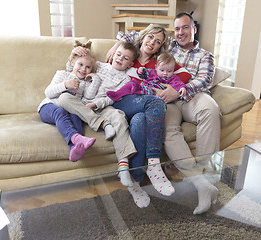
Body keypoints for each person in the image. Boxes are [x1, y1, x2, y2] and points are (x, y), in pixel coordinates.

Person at [106, 13, 220, 214]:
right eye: (177, 29)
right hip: (166, 101)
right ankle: (201, 184)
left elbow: (204, 80)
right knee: (166, 128)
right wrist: (117, 45)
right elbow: (135, 37)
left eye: (185, 28)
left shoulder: (205, 55)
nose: (181, 32)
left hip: (192, 96)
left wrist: (178, 89)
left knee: (210, 110)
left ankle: (206, 176)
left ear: (194, 29)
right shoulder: (168, 47)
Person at [59, 41, 139, 188]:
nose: (120, 59)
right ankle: (101, 124)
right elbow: (75, 69)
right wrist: (73, 54)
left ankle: (123, 166)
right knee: (63, 98)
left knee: (119, 117)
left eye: (125, 58)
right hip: (81, 103)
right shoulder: (100, 65)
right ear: (113, 54)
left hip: (102, 107)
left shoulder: (125, 79)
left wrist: (95, 105)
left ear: (130, 64)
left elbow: (112, 98)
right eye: (118, 54)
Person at [37, 52, 96, 163]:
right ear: (73, 62)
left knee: (75, 116)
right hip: (48, 108)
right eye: (80, 64)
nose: (83, 69)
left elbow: (88, 98)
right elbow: (48, 92)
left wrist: (95, 80)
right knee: (60, 112)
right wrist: (65, 85)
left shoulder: (84, 84)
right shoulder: (63, 74)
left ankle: (74, 148)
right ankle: (77, 138)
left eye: (88, 67)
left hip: (68, 110)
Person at [106, 52, 186, 101]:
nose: (165, 73)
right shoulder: (152, 72)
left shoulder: (172, 78)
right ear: (156, 67)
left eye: (169, 71)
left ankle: (135, 92)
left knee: (145, 90)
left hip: (155, 92)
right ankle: (117, 94)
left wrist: (182, 88)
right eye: (162, 70)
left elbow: (178, 83)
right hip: (143, 87)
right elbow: (144, 75)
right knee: (131, 84)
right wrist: (141, 71)